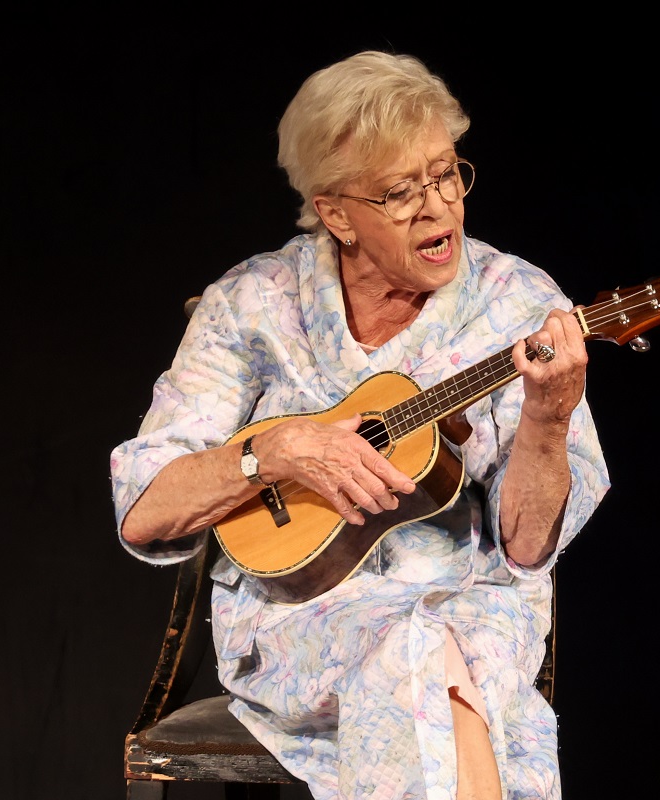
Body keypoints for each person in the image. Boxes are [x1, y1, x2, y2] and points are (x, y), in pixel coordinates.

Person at [110, 50, 610, 800]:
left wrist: (548, 416)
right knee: (426, 667)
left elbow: (531, 545)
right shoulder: (255, 306)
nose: (437, 206)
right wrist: (268, 452)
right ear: (336, 212)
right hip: (298, 626)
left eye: (445, 174)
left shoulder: (517, 303)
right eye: (400, 192)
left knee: (429, 652)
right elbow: (147, 508)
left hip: (469, 612)